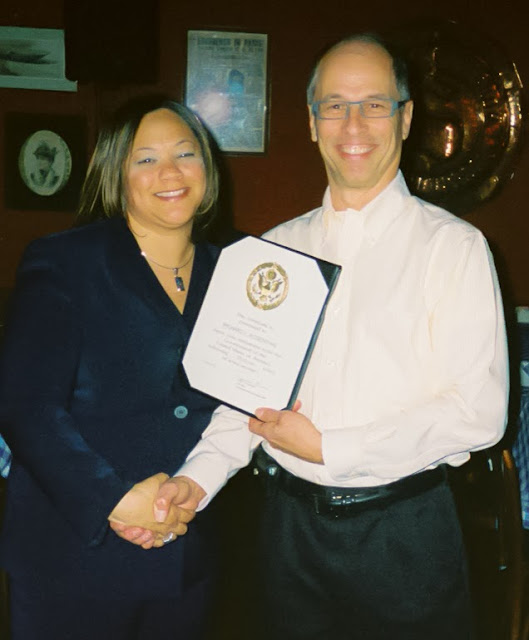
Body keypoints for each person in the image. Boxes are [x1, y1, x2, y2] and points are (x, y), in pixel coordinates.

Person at [137, 33, 508, 639]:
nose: (353, 124)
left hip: (405, 539)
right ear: (312, 123)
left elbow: (478, 413)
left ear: (405, 118)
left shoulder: (454, 248)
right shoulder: (272, 251)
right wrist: (193, 482)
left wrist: (331, 448)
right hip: (286, 535)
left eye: (374, 104)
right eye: (334, 105)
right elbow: (242, 401)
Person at [0, 96, 223, 640]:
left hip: (185, 552)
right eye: (146, 159)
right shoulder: (66, 261)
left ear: (207, 165)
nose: (170, 172)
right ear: (116, 173)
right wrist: (116, 500)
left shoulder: (234, 271)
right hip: (72, 557)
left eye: (185, 153)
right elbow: (26, 406)